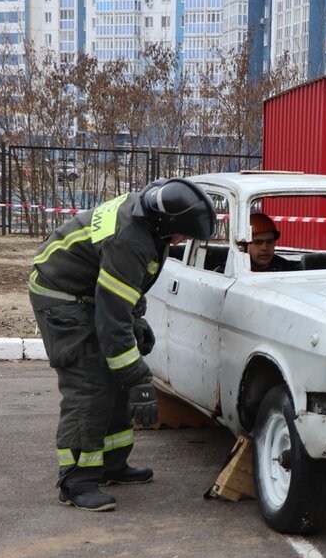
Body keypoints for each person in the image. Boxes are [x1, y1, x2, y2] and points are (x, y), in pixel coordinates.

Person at [29, 178, 216, 511]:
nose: (184, 241)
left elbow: (122, 292)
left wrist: (136, 321)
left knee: (113, 380)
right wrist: (139, 379)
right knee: (90, 386)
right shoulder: (129, 238)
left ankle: (111, 465)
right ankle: (76, 481)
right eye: (184, 234)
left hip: (89, 295)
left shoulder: (148, 220)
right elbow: (111, 317)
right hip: (63, 298)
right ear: (167, 223)